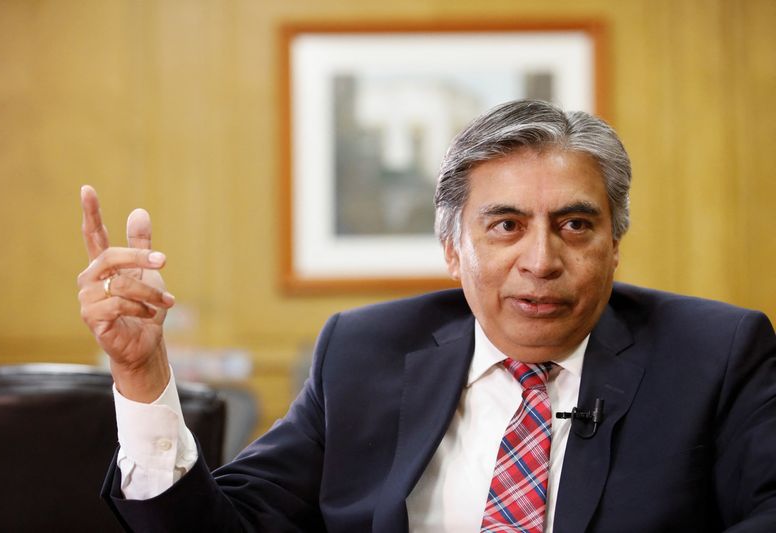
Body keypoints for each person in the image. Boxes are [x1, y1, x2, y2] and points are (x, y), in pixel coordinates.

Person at [77, 100, 776, 532]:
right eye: (505, 225)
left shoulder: (715, 354)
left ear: (613, 245)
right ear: (452, 248)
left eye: (574, 225)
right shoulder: (364, 352)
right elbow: (225, 526)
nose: (540, 259)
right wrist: (143, 376)